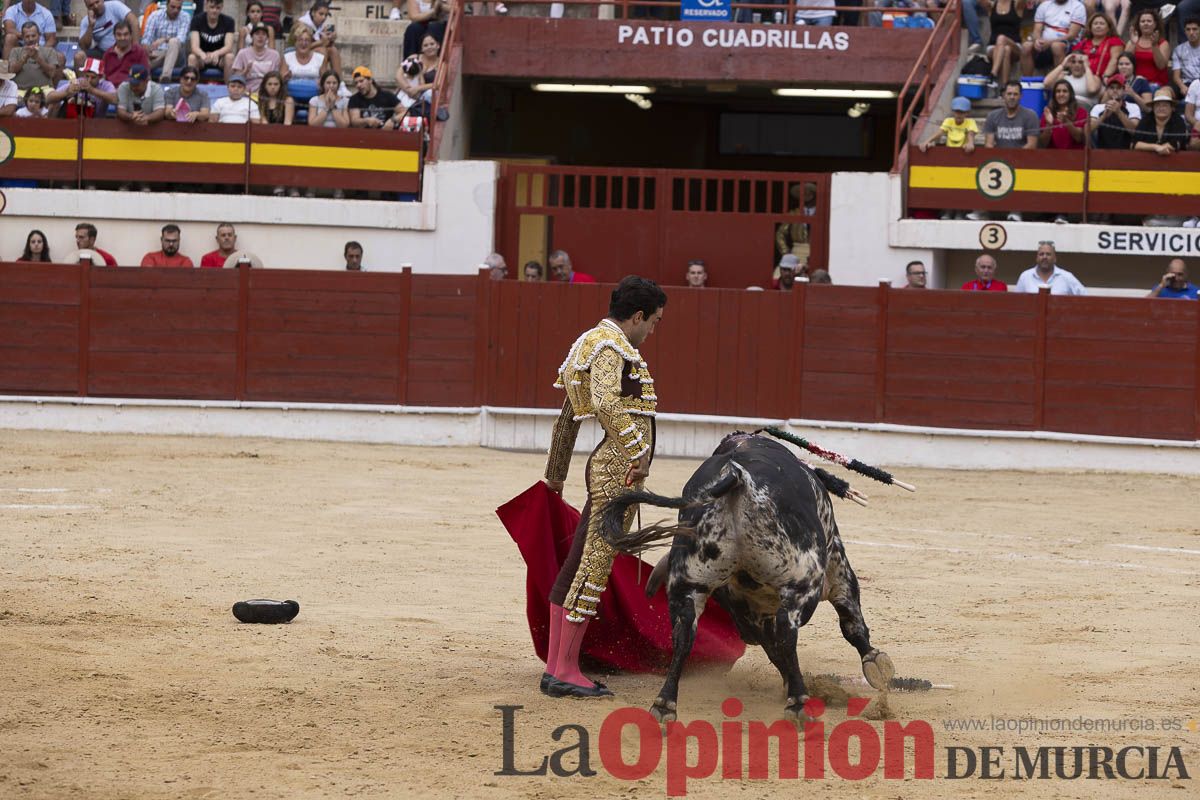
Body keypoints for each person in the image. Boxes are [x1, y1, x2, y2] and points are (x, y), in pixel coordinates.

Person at [541, 275, 666, 698]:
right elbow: (607, 402)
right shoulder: (612, 346)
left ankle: (558, 666)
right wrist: (637, 455)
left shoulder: (588, 343)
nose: (653, 330)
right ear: (637, 316)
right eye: (653, 321)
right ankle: (565, 671)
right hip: (618, 469)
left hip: (611, 465)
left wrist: (555, 475)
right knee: (592, 567)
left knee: (580, 562)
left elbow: (566, 418)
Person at [1021, 0, 1086, 76]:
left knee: (1056, 46)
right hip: (1045, 43)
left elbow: (1072, 35)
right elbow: (1037, 30)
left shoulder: (1078, 6)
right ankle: (1027, 82)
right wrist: (1037, 40)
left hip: (1068, 44)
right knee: (1026, 46)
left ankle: (1059, 80)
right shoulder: (1044, 5)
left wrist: (1049, 42)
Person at [77, 0, 138, 69]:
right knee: (79, 56)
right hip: (102, 52)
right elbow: (83, 46)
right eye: (91, 5)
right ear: (87, 7)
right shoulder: (85, 21)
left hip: (123, 48)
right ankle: (82, 80)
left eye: (97, 2)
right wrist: (91, 26)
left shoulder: (114, 6)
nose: (96, 6)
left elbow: (134, 21)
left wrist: (135, 48)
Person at [47, 57, 117, 118]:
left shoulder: (106, 85)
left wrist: (92, 90)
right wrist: (66, 92)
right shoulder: (78, 82)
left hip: (96, 123)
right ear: (83, 74)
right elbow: (49, 98)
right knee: (55, 103)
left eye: (93, 77)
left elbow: (115, 100)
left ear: (100, 77)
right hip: (74, 120)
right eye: (87, 76)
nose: (89, 80)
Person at [1133, 86, 1195, 152]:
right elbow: (1135, 144)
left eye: (1165, 105)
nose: (1161, 108)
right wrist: (1155, 147)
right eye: (1157, 105)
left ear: (1172, 108)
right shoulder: (1146, 120)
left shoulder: (1178, 121)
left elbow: (1175, 144)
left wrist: (1160, 148)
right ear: (1153, 108)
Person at [1089, 73, 1142, 148]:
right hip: (1102, 152)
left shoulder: (1133, 107)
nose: (1115, 90)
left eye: (1118, 88)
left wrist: (1119, 112)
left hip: (1127, 152)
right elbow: (1088, 130)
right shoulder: (1098, 108)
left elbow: (1135, 132)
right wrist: (1103, 116)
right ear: (1107, 90)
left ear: (1124, 90)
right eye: (1112, 88)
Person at [983, 80, 1041, 148]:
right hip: (999, 157)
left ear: (1021, 96)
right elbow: (989, 144)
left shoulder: (1031, 116)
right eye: (1009, 94)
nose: (1012, 97)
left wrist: (1013, 157)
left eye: (1015, 94)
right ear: (1004, 95)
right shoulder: (992, 116)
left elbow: (1031, 145)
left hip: (1023, 157)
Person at [141, 0, 189, 82]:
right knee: (143, 56)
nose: (176, 11)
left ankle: (165, 77)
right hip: (157, 55)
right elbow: (146, 40)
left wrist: (164, 39)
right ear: (166, 5)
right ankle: (146, 83)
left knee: (174, 42)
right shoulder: (155, 16)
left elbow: (181, 40)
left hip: (177, 56)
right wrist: (147, 51)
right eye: (173, 7)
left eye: (179, 8)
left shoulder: (185, 17)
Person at [1013, 241, 1086, 294]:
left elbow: (1084, 296)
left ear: (1055, 258)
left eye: (1048, 254)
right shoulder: (1025, 277)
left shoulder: (1067, 277)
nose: (1044, 257)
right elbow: (1017, 302)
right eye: (1041, 254)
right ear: (1036, 258)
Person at [187, 0, 235, 79]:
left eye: (218, 8)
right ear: (206, 6)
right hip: (202, 58)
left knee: (230, 57)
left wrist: (216, 53)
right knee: (192, 58)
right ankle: (193, 89)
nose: (214, 11)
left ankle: (229, 89)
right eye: (212, 7)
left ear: (222, 7)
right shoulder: (197, 20)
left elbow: (228, 47)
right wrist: (203, 55)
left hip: (220, 58)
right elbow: (194, 47)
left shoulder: (229, 21)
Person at [10, 20, 61, 91]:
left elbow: (52, 73)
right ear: (22, 37)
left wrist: (38, 58)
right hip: (20, 90)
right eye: (27, 36)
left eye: (33, 36)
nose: (31, 39)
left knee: (54, 97)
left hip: (44, 89)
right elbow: (11, 71)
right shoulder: (15, 51)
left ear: (39, 35)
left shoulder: (50, 51)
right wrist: (25, 57)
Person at [294, 1, 340, 78]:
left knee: (333, 50)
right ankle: (324, 81)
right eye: (321, 14)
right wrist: (321, 42)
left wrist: (330, 39)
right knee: (322, 50)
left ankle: (340, 83)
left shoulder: (320, 26)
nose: (324, 17)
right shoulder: (301, 24)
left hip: (311, 51)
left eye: (326, 15)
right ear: (313, 13)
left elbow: (324, 44)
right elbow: (300, 47)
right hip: (298, 52)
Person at [1039, 79, 1088, 150]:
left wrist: (1066, 121)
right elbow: (1043, 144)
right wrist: (1049, 124)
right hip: (1053, 157)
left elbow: (1079, 138)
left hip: (1075, 157)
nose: (1061, 94)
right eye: (1058, 91)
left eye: (1065, 91)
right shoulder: (1048, 113)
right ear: (1054, 95)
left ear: (1070, 94)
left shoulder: (1081, 112)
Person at [1127, 10, 1170, 89]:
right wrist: (1133, 44)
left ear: (1155, 24)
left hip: (1156, 84)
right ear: (1139, 25)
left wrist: (1154, 45)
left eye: (1149, 21)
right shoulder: (1132, 42)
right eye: (1142, 21)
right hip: (1135, 83)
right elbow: (1125, 63)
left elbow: (1161, 66)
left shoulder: (1163, 43)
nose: (1145, 23)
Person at [1072, 11, 1124, 79]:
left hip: (1104, 79)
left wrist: (1105, 76)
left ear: (1109, 28)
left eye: (1102, 24)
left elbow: (1114, 60)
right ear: (1090, 27)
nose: (1098, 26)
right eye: (1095, 24)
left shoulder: (1115, 41)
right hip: (1082, 77)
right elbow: (1072, 59)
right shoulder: (1084, 42)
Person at [231, 21, 279, 92]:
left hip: (268, 92)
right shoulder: (242, 53)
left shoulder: (275, 55)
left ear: (267, 38)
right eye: (257, 34)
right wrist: (245, 71)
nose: (260, 37)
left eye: (263, 34)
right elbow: (235, 78)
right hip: (247, 91)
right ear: (251, 37)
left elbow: (277, 78)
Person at [398, 33, 438, 116]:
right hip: (407, 91)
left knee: (429, 94)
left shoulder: (441, 63)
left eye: (432, 44)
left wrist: (417, 89)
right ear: (422, 48)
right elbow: (398, 76)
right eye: (425, 45)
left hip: (425, 96)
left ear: (438, 45)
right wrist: (408, 89)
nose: (429, 47)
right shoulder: (414, 57)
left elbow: (438, 83)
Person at [100, 20, 148, 87]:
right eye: (119, 35)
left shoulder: (139, 52)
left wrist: (134, 78)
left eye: (126, 34)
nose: (122, 38)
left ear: (131, 35)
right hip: (110, 90)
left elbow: (145, 74)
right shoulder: (108, 54)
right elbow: (103, 76)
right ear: (114, 36)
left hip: (132, 88)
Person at [115, 63, 165, 127]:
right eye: (131, 83)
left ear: (146, 81)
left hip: (151, 128)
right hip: (128, 127)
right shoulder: (123, 87)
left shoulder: (156, 89)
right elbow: (121, 111)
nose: (133, 87)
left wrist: (146, 118)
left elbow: (160, 112)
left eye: (136, 85)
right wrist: (131, 116)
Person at [1172, 17, 1200, 97]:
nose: (1191, 32)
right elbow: (1176, 76)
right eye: (1188, 29)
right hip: (1186, 83)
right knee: (1166, 91)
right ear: (1185, 31)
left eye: (1195, 29)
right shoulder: (1178, 50)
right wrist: (1182, 86)